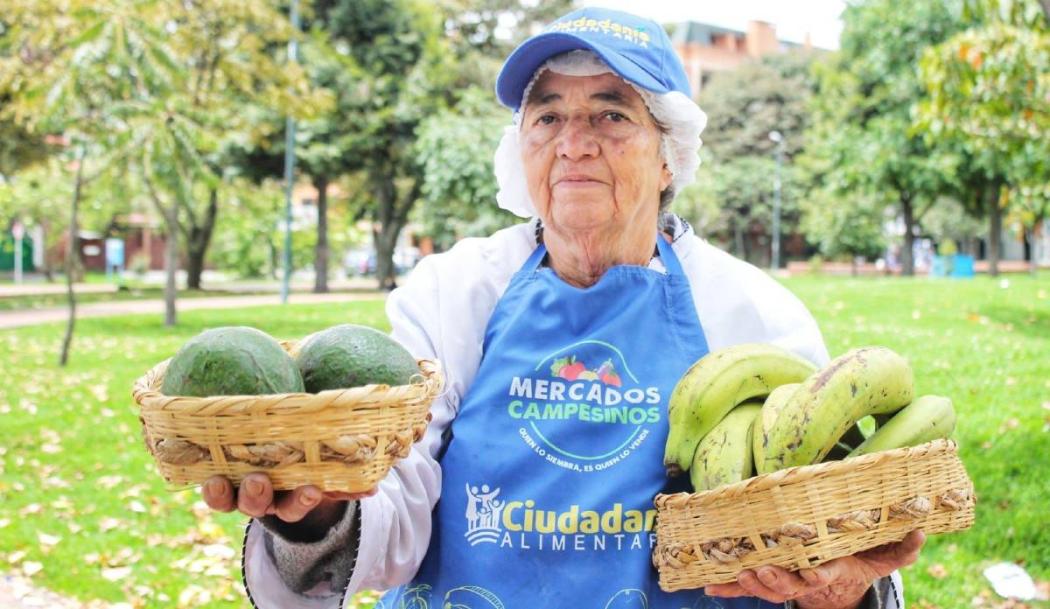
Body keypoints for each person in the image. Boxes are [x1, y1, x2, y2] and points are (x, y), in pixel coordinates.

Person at [202, 8, 924, 609]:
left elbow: (836, 523)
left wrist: (839, 591)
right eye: (547, 116)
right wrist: (318, 513)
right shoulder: (453, 293)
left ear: (668, 155)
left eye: (610, 114)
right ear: (522, 148)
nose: (573, 142)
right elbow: (392, 513)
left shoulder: (754, 314)